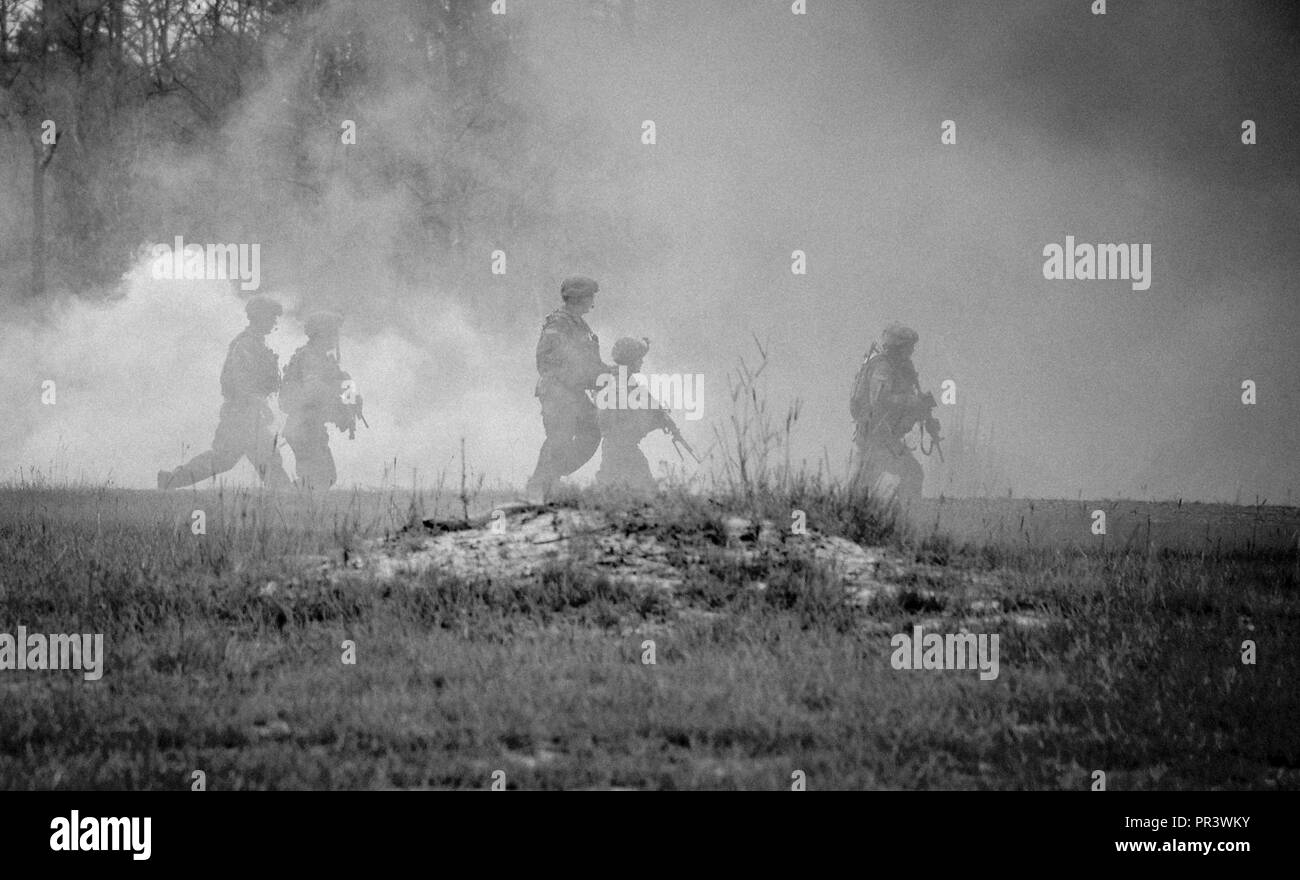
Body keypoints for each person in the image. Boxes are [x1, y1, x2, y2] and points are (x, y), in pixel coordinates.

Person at [158, 296, 292, 490]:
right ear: (258, 317)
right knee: (260, 457)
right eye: (271, 317)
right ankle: (286, 495)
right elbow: (239, 381)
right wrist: (259, 403)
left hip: (244, 414)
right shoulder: (246, 345)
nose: (274, 322)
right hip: (242, 413)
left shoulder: (255, 344)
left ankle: (170, 480)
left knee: (225, 458)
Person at [524, 276, 614, 502]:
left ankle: (551, 477)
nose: (592, 300)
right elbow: (547, 361)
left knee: (591, 430)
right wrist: (584, 377)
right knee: (559, 439)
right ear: (578, 297)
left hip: (573, 393)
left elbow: (589, 363)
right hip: (558, 392)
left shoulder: (578, 324)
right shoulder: (559, 323)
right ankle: (540, 487)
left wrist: (608, 373)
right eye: (589, 296)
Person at [849, 322, 940, 509]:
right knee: (911, 473)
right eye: (908, 347)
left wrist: (923, 412)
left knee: (861, 489)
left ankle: (857, 518)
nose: (911, 351)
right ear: (897, 347)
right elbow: (880, 400)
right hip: (876, 437)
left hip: (883, 437)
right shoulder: (883, 367)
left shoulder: (899, 367)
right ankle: (907, 517)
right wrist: (913, 402)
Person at [280, 311, 354, 490]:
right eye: (331, 332)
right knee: (318, 479)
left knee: (324, 478)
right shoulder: (310, 357)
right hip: (303, 429)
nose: (335, 337)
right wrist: (338, 396)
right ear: (321, 333)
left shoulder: (321, 358)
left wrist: (348, 402)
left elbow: (340, 384)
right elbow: (314, 389)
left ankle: (289, 500)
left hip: (310, 428)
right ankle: (286, 501)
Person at [595, 336, 667, 493]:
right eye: (638, 358)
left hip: (621, 446)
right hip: (619, 446)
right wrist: (653, 420)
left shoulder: (625, 381)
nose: (641, 362)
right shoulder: (618, 383)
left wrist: (658, 415)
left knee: (611, 487)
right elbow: (620, 421)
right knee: (644, 488)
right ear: (630, 360)